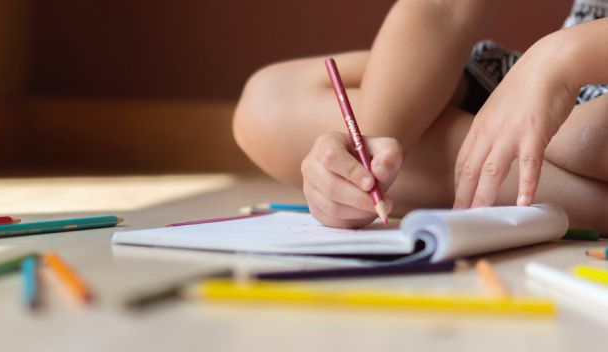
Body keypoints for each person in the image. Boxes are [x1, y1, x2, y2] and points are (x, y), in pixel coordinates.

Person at [233, 0, 608, 233]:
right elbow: (443, 10)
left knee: (588, 138)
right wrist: (369, 161)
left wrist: (562, 57)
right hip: (546, 77)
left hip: (572, 67)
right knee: (269, 104)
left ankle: (555, 183)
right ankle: (583, 198)